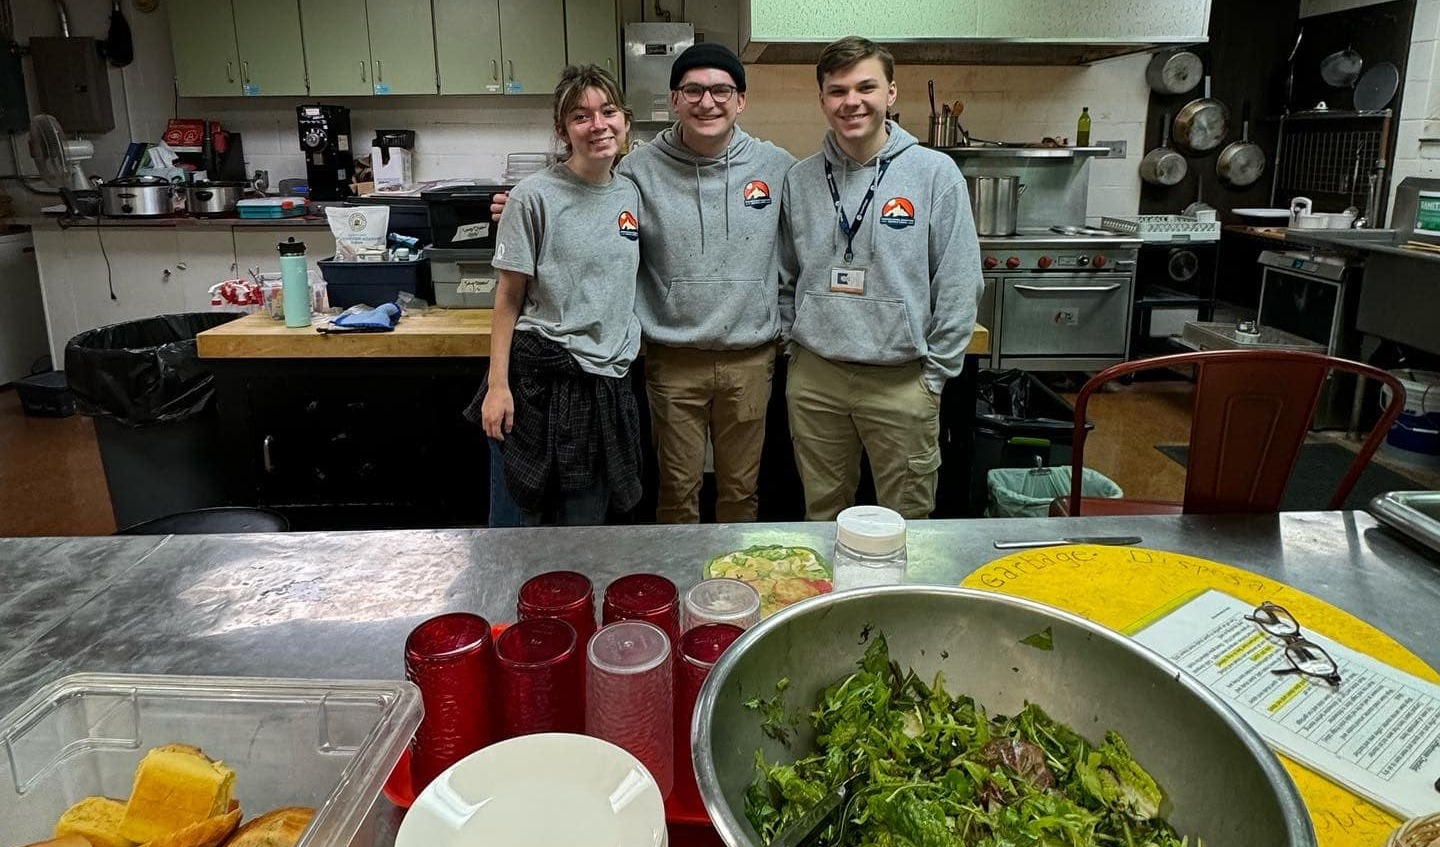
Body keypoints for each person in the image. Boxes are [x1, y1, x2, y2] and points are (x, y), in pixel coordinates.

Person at [493, 43, 795, 524]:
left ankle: (736, 594)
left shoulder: (778, 167)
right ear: (675, 99)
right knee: (676, 492)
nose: (707, 101)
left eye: (721, 90)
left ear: (741, 100)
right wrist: (519, 207)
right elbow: (575, 193)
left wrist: (784, 317)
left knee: (742, 493)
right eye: (693, 90)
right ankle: (677, 594)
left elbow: (804, 241)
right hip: (671, 357)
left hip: (750, 356)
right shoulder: (637, 169)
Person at [778, 36, 983, 521]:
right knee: (822, 515)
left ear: (891, 93)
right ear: (823, 101)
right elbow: (785, 274)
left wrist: (933, 378)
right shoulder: (801, 179)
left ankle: (900, 601)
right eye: (837, 91)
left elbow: (959, 280)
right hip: (817, 379)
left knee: (907, 520)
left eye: (865, 87)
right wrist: (794, 347)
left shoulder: (935, 173)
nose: (852, 101)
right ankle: (831, 599)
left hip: (902, 380)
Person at [467, 64, 644, 527]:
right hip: (536, 388)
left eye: (608, 111)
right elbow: (507, 300)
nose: (597, 125)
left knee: (581, 539)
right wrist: (498, 387)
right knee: (516, 532)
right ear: (563, 129)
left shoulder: (631, 194)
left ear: (625, 120)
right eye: (581, 116)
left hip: (603, 385)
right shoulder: (532, 197)